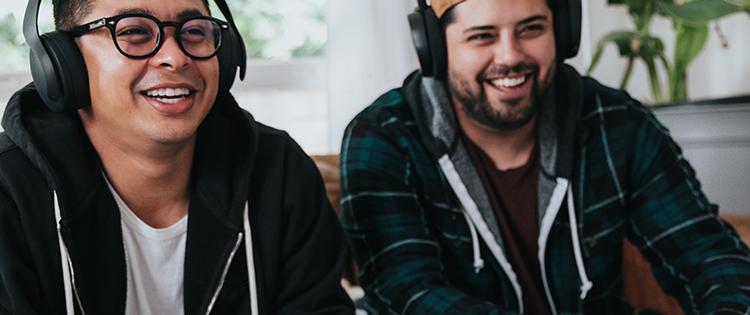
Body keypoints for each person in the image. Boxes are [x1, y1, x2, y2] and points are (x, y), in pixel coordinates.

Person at [339, 0, 750, 313]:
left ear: (564, 32)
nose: (510, 56)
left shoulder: (617, 123)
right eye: (482, 36)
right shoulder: (384, 139)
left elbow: (707, 255)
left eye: (531, 29)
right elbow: (410, 294)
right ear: (434, 49)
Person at [0, 0, 353, 314]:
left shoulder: (279, 171)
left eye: (194, 31)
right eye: (135, 31)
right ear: (63, 61)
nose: (175, 57)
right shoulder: (8, 190)